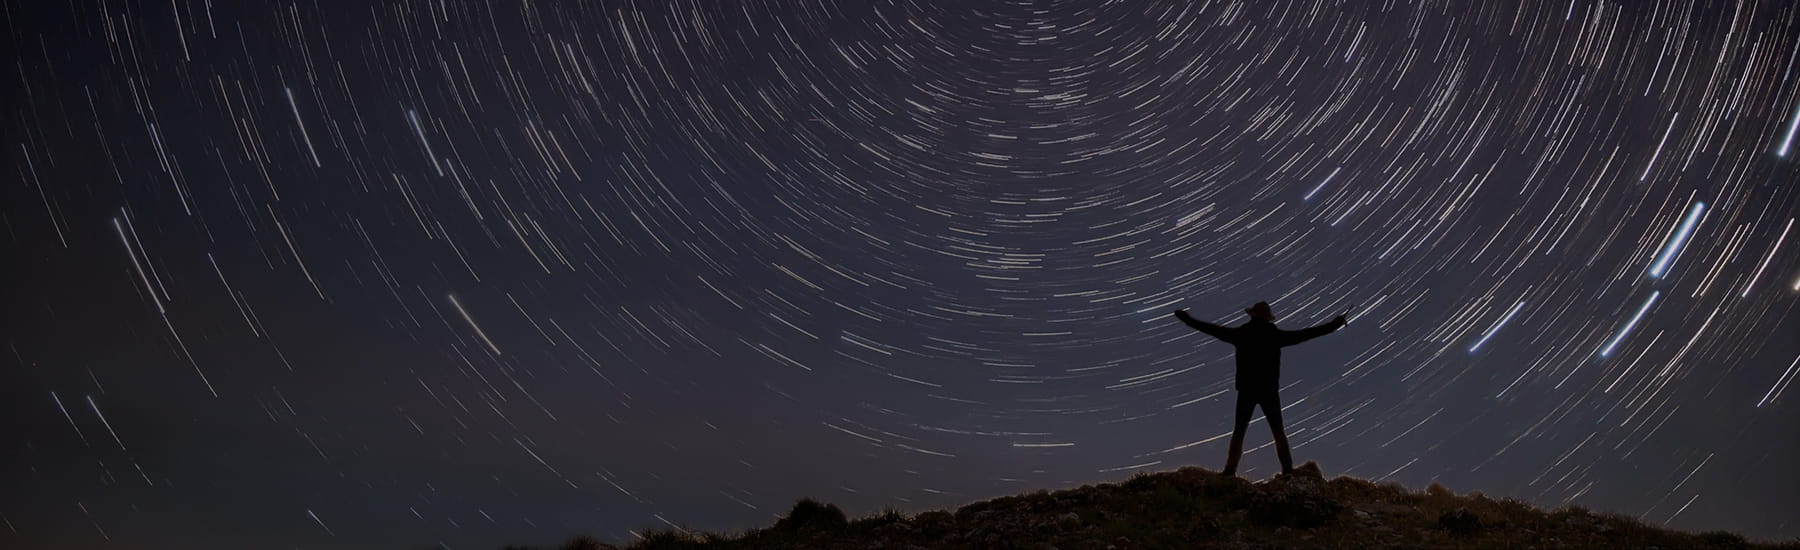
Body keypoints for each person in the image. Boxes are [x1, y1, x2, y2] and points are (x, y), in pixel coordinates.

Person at [1173, 301, 1345, 477]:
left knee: (1239, 431)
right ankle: (1287, 470)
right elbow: (1306, 334)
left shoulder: (1242, 334)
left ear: (1252, 315)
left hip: (1247, 390)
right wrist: (1333, 325)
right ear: (1267, 318)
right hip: (1269, 391)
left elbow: (1212, 329)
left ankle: (1230, 470)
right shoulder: (1275, 335)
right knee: (1278, 431)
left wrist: (1187, 319)